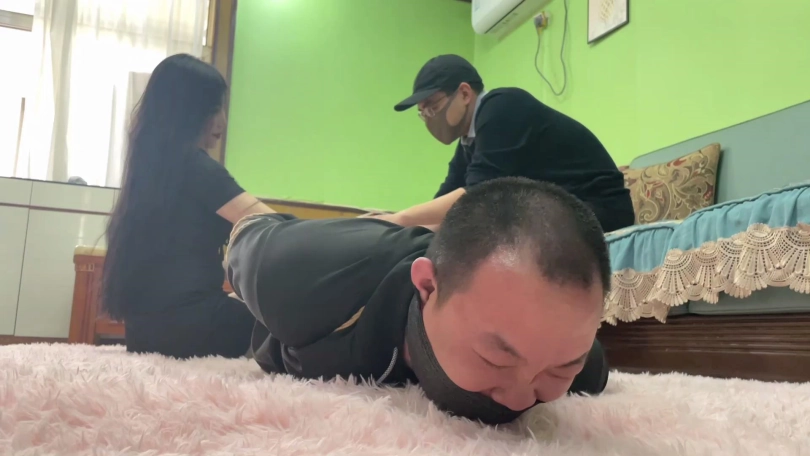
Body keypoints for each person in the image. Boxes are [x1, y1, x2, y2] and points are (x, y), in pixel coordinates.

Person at [225, 177, 610, 425]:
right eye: (496, 359)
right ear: (427, 286)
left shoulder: (568, 352)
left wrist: (563, 373)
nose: (520, 399)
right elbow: (247, 233)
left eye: (560, 371)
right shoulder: (298, 273)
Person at [102, 54, 275, 359]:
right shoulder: (196, 167)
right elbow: (276, 226)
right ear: (187, 111)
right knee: (294, 320)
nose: (222, 121)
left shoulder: (150, 170)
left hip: (143, 335)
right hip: (193, 332)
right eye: (214, 108)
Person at [377, 54, 634, 234]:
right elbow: (447, 202)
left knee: (488, 228)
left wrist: (399, 219)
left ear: (464, 93)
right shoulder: (468, 142)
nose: (429, 117)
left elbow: (475, 196)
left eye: (432, 106)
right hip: (558, 212)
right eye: (423, 113)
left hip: (599, 210)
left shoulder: (503, 107)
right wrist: (395, 227)